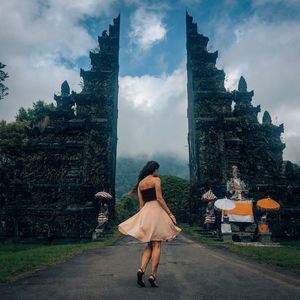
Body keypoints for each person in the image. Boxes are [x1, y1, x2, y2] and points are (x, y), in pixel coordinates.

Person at [118, 160, 182, 288]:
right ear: (154, 170)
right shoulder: (156, 180)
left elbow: (141, 204)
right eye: (157, 170)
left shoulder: (141, 184)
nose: (157, 172)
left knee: (149, 245)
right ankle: (153, 275)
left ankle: (141, 270)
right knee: (157, 244)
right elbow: (159, 197)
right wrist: (169, 213)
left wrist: (142, 218)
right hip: (156, 211)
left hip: (146, 212)